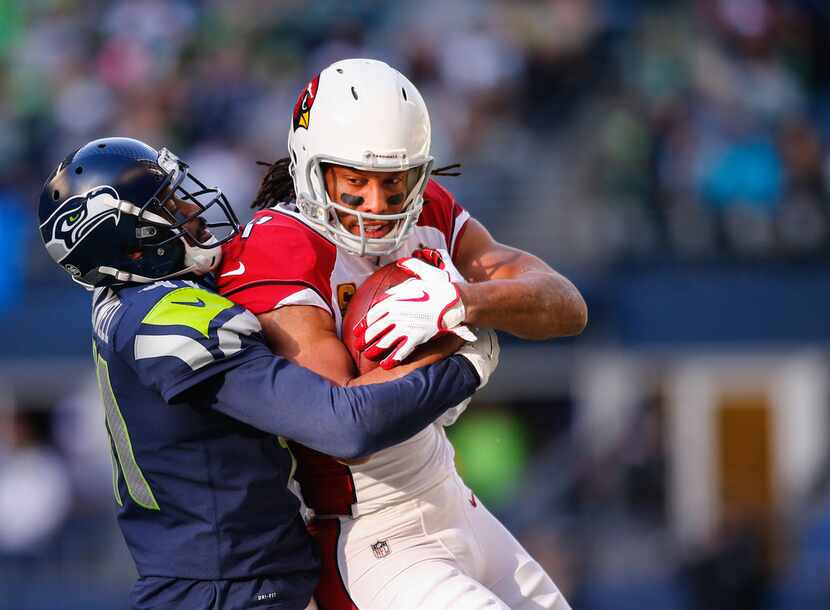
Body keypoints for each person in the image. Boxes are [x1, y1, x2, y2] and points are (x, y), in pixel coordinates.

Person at [36, 136, 498, 610]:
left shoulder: (128, 296)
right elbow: (345, 425)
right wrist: (464, 362)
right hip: (230, 590)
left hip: (236, 581)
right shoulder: (169, 323)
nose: (192, 209)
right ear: (133, 247)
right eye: (169, 205)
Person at [217, 59, 586, 610]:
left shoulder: (428, 207)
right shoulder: (279, 246)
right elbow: (341, 423)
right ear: (309, 167)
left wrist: (465, 300)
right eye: (355, 182)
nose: (376, 206)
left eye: (394, 183)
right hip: (369, 531)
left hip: (451, 497)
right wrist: (458, 359)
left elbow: (566, 305)